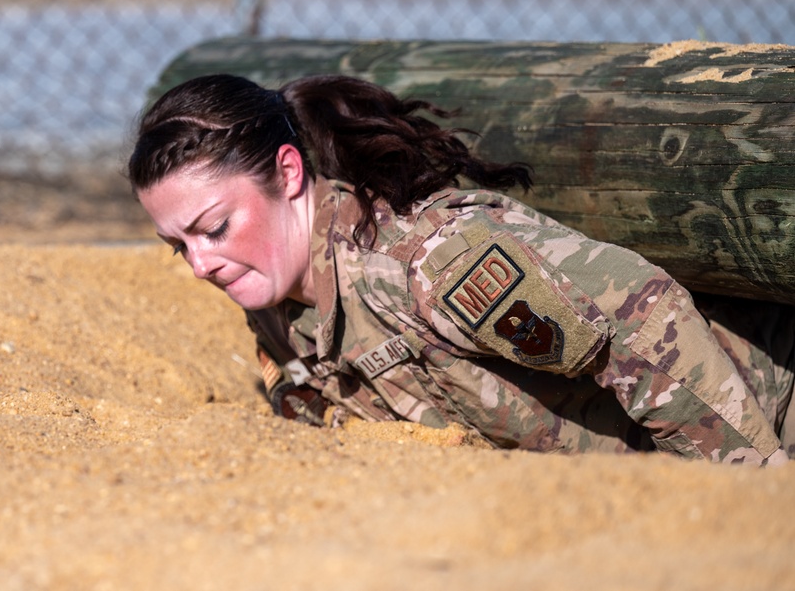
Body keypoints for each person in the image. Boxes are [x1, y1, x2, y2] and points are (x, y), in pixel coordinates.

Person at [127, 73, 794, 465]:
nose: (199, 264)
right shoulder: (277, 302)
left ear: (287, 172)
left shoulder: (430, 260)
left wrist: (742, 492)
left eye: (212, 228)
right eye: (176, 244)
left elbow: (645, 319)